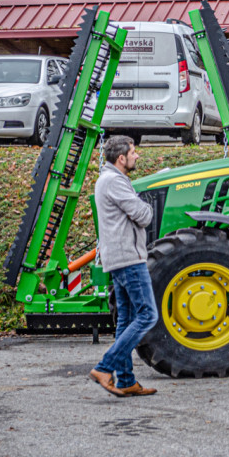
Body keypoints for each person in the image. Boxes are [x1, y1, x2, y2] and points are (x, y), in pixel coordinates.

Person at [88, 135, 158, 397]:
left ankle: (126, 380)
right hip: (128, 258)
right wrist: (145, 205)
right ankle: (105, 367)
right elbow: (143, 215)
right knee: (148, 315)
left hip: (119, 256)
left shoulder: (110, 180)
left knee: (126, 319)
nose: (136, 156)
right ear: (121, 158)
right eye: (133, 152)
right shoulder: (115, 181)